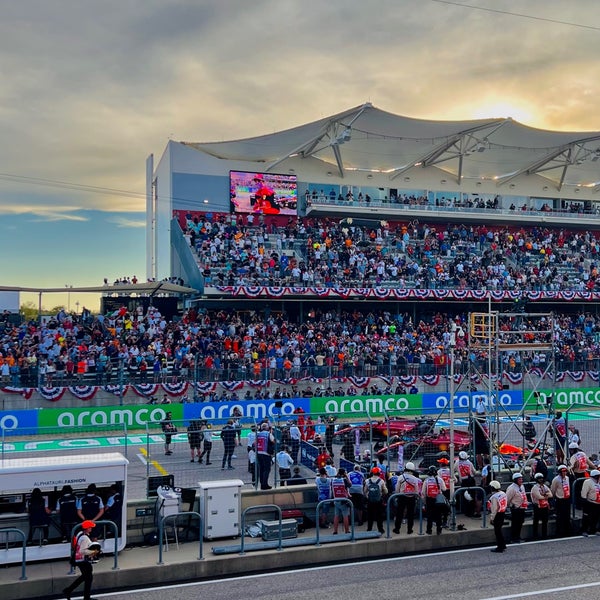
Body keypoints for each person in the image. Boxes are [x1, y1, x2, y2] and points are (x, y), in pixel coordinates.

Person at [63, 520, 100, 600]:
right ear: (87, 528)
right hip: (83, 560)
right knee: (88, 577)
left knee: (85, 577)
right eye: (90, 527)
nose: (91, 528)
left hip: (79, 560)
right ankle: (85, 597)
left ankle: (69, 590)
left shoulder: (80, 534)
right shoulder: (85, 538)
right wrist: (94, 551)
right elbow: (82, 551)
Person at [393, 461, 421, 535]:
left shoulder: (401, 477)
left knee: (399, 513)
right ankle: (409, 529)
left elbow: (397, 489)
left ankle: (397, 529)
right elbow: (416, 491)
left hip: (402, 497)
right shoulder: (415, 479)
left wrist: (396, 496)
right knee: (410, 514)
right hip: (411, 497)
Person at [421, 465, 446, 535]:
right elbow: (444, 489)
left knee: (429, 516)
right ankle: (439, 530)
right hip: (438, 499)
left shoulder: (426, 480)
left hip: (429, 499)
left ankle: (429, 530)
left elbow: (423, 492)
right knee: (439, 515)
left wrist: (424, 501)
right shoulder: (440, 480)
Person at [550, 464, 572, 537]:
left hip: (567, 499)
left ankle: (567, 531)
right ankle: (559, 532)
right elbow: (553, 490)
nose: (564, 473)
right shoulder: (556, 479)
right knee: (560, 517)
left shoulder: (567, 478)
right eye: (562, 471)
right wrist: (553, 498)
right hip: (560, 499)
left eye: (565, 471)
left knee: (567, 516)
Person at [506, 472, 527, 543]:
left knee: (520, 523)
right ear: (515, 480)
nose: (521, 480)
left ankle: (518, 537)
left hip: (522, 508)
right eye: (519, 479)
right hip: (515, 508)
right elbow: (507, 499)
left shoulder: (522, 486)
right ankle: (513, 538)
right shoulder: (511, 488)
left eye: (521, 479)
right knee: (515, 524)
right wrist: (510, 506)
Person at [364, 468, 387, 534]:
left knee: (370, 516)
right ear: (379, 473)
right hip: (378, 501)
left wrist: (368, 497)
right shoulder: (381, 481)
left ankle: (369, 529)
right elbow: (386, 491)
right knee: (379, 516)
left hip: (370, 501)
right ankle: (380, 529)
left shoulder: (367, 481)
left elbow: (365, 491)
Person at [530, 472, 552, 539]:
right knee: (536, 521)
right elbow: (539, 497)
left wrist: (545, 495)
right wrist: (545, 495)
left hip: (545, 506)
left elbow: (551, 494)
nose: (541, 480)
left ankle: (544, 535)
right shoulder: (535, 488)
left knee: (545, 521)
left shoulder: (544, 486)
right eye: (539, 479)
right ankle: (535, 535)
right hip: (537, 506)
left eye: (542, 478)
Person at [488, 480, 508, 553]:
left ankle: (500, 547)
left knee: (497, 532)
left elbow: (494, 509)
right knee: (499, 531)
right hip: (502, 513)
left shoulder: (494, 497)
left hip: (497, 515)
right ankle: (503, 545)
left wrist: (492, 518)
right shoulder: (503, 493)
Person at [580, 469, 600, 537]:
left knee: (596, 517)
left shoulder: (598, 482)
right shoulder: (588, 482)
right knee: (586, 517)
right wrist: (584, 501)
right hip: (589, 502)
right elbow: (584, 492)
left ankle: (593, 529)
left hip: (598, 502)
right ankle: (584, 530)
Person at [331, 467, 351, 534]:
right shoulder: (344, 480)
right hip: (343, 500)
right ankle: (347, 530)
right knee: (345, 516)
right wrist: (347, 476)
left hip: (336, 500)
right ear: (344, 474)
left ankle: (335, 531)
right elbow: (350, 485)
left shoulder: (333, 480)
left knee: (336, 516)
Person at [256, 422, 275, 490]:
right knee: (267, 469)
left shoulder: (258, 434)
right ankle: (265, 484)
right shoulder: (268, 434)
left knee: (261, 469)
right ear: (267, 428)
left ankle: (262, 484)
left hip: (259, 453)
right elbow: (273, 441)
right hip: (266, 453)